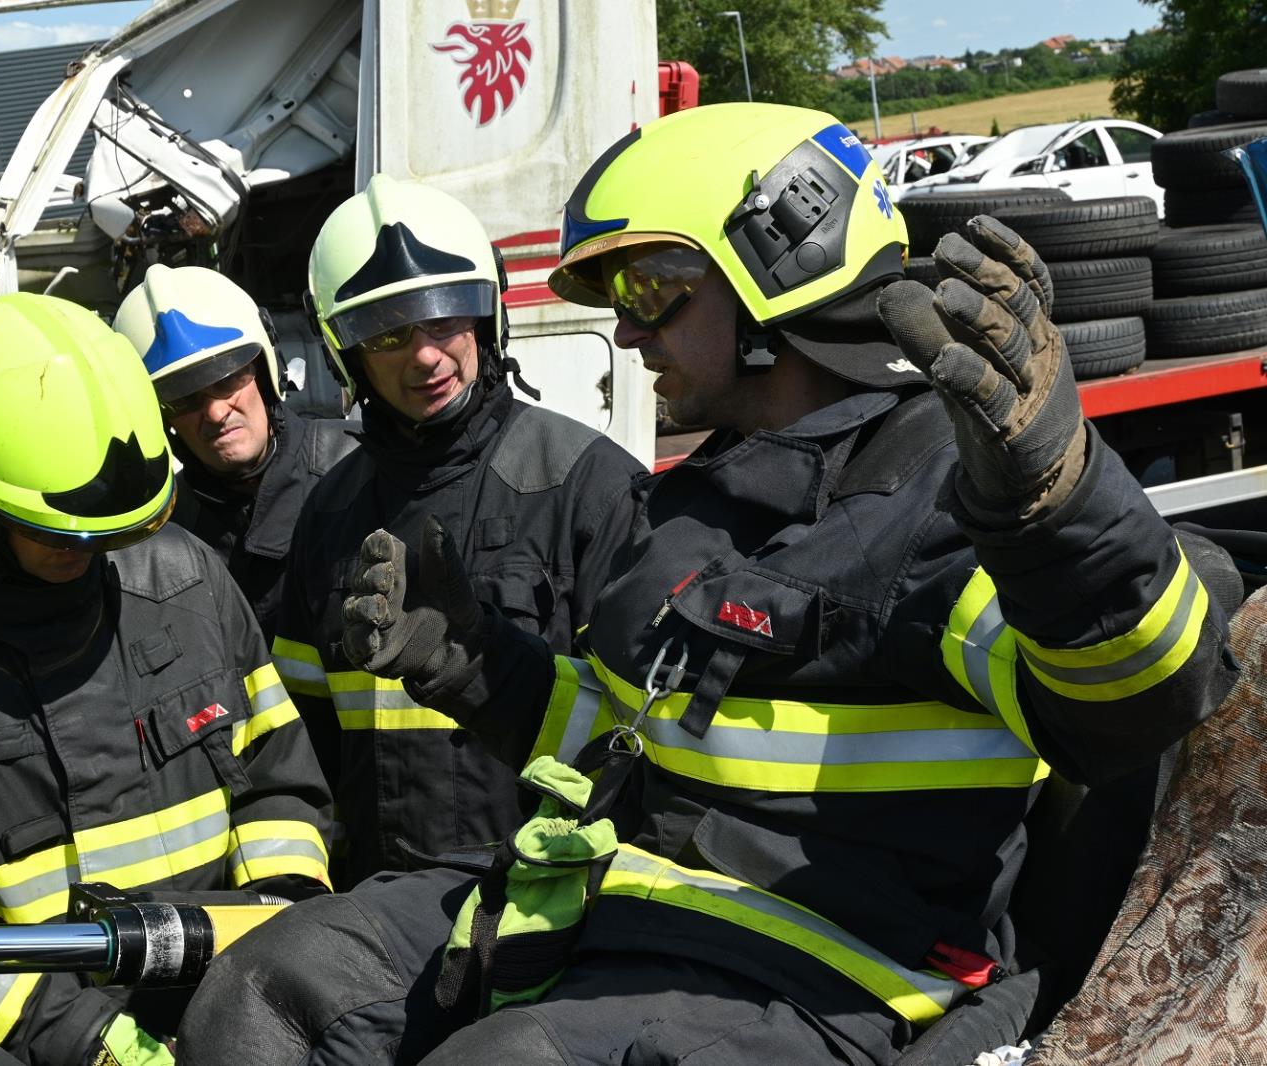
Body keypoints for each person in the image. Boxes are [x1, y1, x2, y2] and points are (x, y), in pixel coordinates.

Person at [176, 103, 1239, 1064]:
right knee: (267, 992)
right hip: (608, 897)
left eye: (651, 289)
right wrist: (474, 664)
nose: (628, 330)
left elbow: (1136, 703)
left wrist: (1061, 512)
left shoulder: (951, 501)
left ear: (783, 260)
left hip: (823, 970)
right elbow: (621, 740)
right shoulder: (693, 502)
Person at [0, 293, 332, 1066]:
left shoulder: (185, 577)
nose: (89, 553)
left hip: (243, 1010)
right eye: (55, 532)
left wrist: (283, 933)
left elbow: (279, 780)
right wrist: (96, 1044)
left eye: (113, 528)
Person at [272, 173, 644, 889]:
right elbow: (300, 745)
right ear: (343, 356)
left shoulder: (589, 485)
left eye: (444, 320)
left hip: (554, 901)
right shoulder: (329, 512)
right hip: (382, 908)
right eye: (387, 335)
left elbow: (643, 740)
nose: (425, 357)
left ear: (484, 317)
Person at [113, 265, 358, 638]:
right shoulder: (162, 539)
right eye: (183, 397)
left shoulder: (359, 469)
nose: (214, 412)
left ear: (264, 371)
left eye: (227, 379)